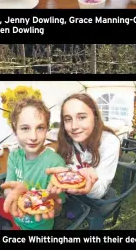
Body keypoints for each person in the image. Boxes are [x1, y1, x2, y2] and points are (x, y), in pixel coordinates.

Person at [0, 98, 66, 230]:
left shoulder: (55, 163)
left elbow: (58, 208)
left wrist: (52, 203)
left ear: (47, 129)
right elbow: (8, 189)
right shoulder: (14, 156)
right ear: (15, 130)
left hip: (40, 226)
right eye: (25, 128)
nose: (33, 136)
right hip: (17, 219)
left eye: (40, 128)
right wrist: (13, 194)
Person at [46, 94, 121, 225]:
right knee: (70, 209)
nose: (74, 126)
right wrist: (67, 173)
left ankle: (79, 211)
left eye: (82, 117)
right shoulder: (68, 140)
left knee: (81, 209)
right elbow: (72, 168)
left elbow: (101, 190)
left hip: (99, 195)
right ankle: (75, 210)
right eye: (68, 119)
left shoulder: (110, 142)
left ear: (95, 117)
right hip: (75, 192)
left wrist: (88, 183)